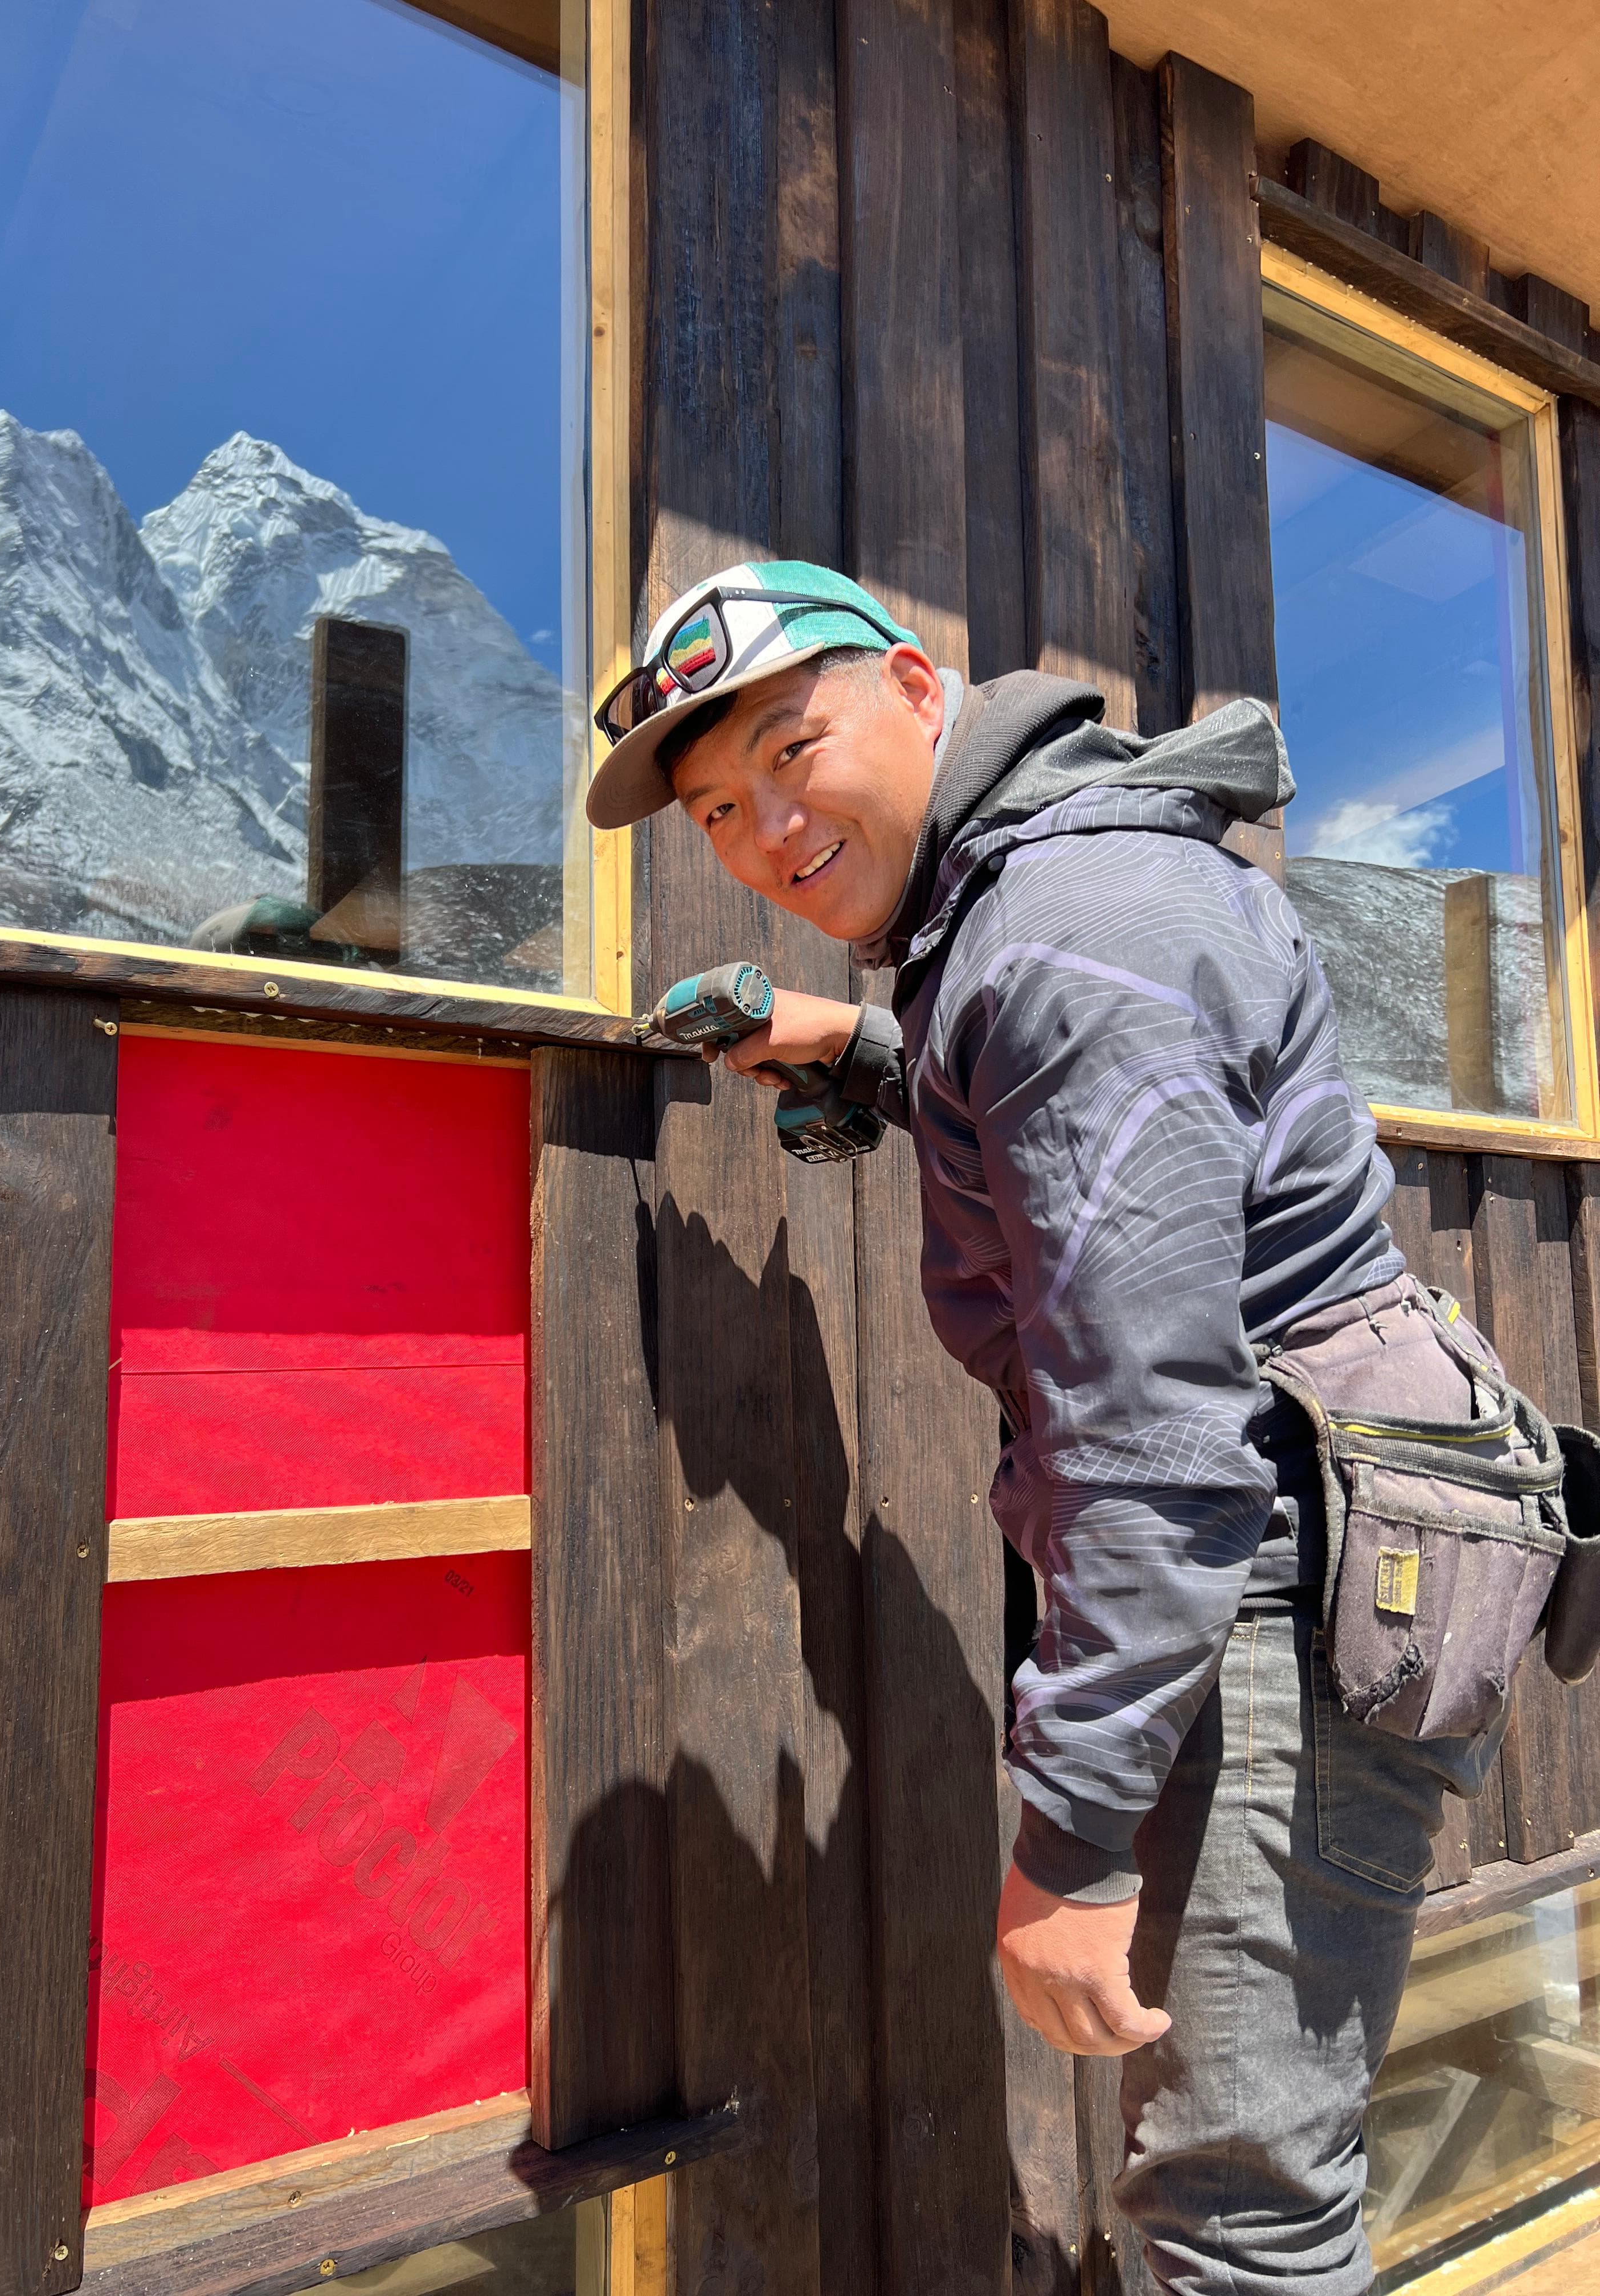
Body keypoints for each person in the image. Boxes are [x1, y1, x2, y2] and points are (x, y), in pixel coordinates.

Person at [587, 564, 1503, 2296]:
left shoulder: (1070, 936)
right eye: (719, 808)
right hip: (1289, 1572)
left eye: (797, 750)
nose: (771, 828)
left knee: (1244, 2219)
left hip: (1274, 1604)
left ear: (921, 696)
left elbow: (1154, 1432)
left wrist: (1071, 1837)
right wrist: (864, 1052)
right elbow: (1060, 1100)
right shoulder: (1041, 899)